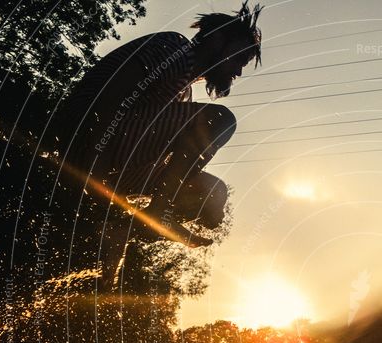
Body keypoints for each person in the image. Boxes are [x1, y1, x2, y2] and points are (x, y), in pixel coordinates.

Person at [54, 2, 262, 284]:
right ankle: (158, 212)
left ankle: (122, 231)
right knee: (220, 119)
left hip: (120, 158)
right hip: (87, 142)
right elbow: (106, 101)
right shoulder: (173, 49)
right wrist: (95, 176)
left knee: (212, 195)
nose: (238, 71)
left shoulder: (183, 90)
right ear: (216, 39)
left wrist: (114, 204)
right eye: (239, 58)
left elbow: (153, 146)